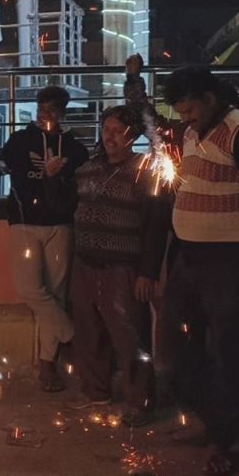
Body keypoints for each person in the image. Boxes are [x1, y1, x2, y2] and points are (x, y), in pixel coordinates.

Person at [162, 66, 239, 476]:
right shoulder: (192, 133)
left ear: (210, 98)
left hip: (233, 260)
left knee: (229, 349)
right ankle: (205, 416)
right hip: (191, 258)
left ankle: (222, 437)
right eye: (180, 111)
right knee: (180, 342)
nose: (185, 118)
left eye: (189, 109)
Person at [0, 85, 90, 392]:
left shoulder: (74, 148)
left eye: (52, 110)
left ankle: (47, 365)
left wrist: (60, 175)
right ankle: (75, 338)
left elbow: (83, 180)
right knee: (30, 289)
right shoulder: (20, 141)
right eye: (42, 108)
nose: (45, 115)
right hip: (24, 223)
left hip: (61, 225)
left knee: (55, 294)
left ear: (63, 112)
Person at [66, 105, 168, 427]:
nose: (109, 136)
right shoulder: (88, 168)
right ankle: (96, 390)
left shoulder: (144, 171)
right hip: (85, 262)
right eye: (106, 129)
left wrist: (147, 272)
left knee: (129, 335)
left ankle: (141, 400)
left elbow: (155, 225)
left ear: (132, 136)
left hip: (123, 266)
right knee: (89, 331)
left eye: (117, 131)